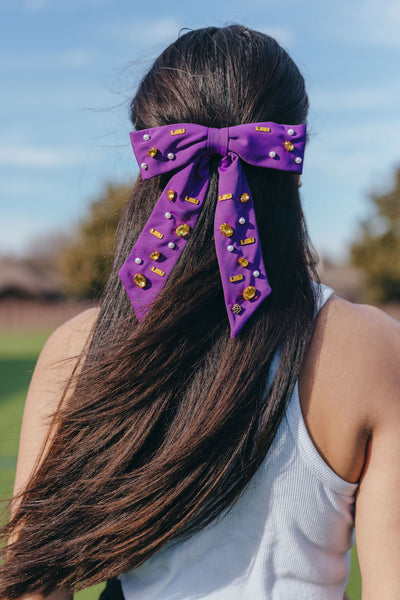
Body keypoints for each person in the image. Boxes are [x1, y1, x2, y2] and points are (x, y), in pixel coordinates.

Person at [1, 24, 400, 600]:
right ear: (290, 149)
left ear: (149, 154)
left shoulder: (77, 349)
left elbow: (31, 590)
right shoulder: (375, 348)